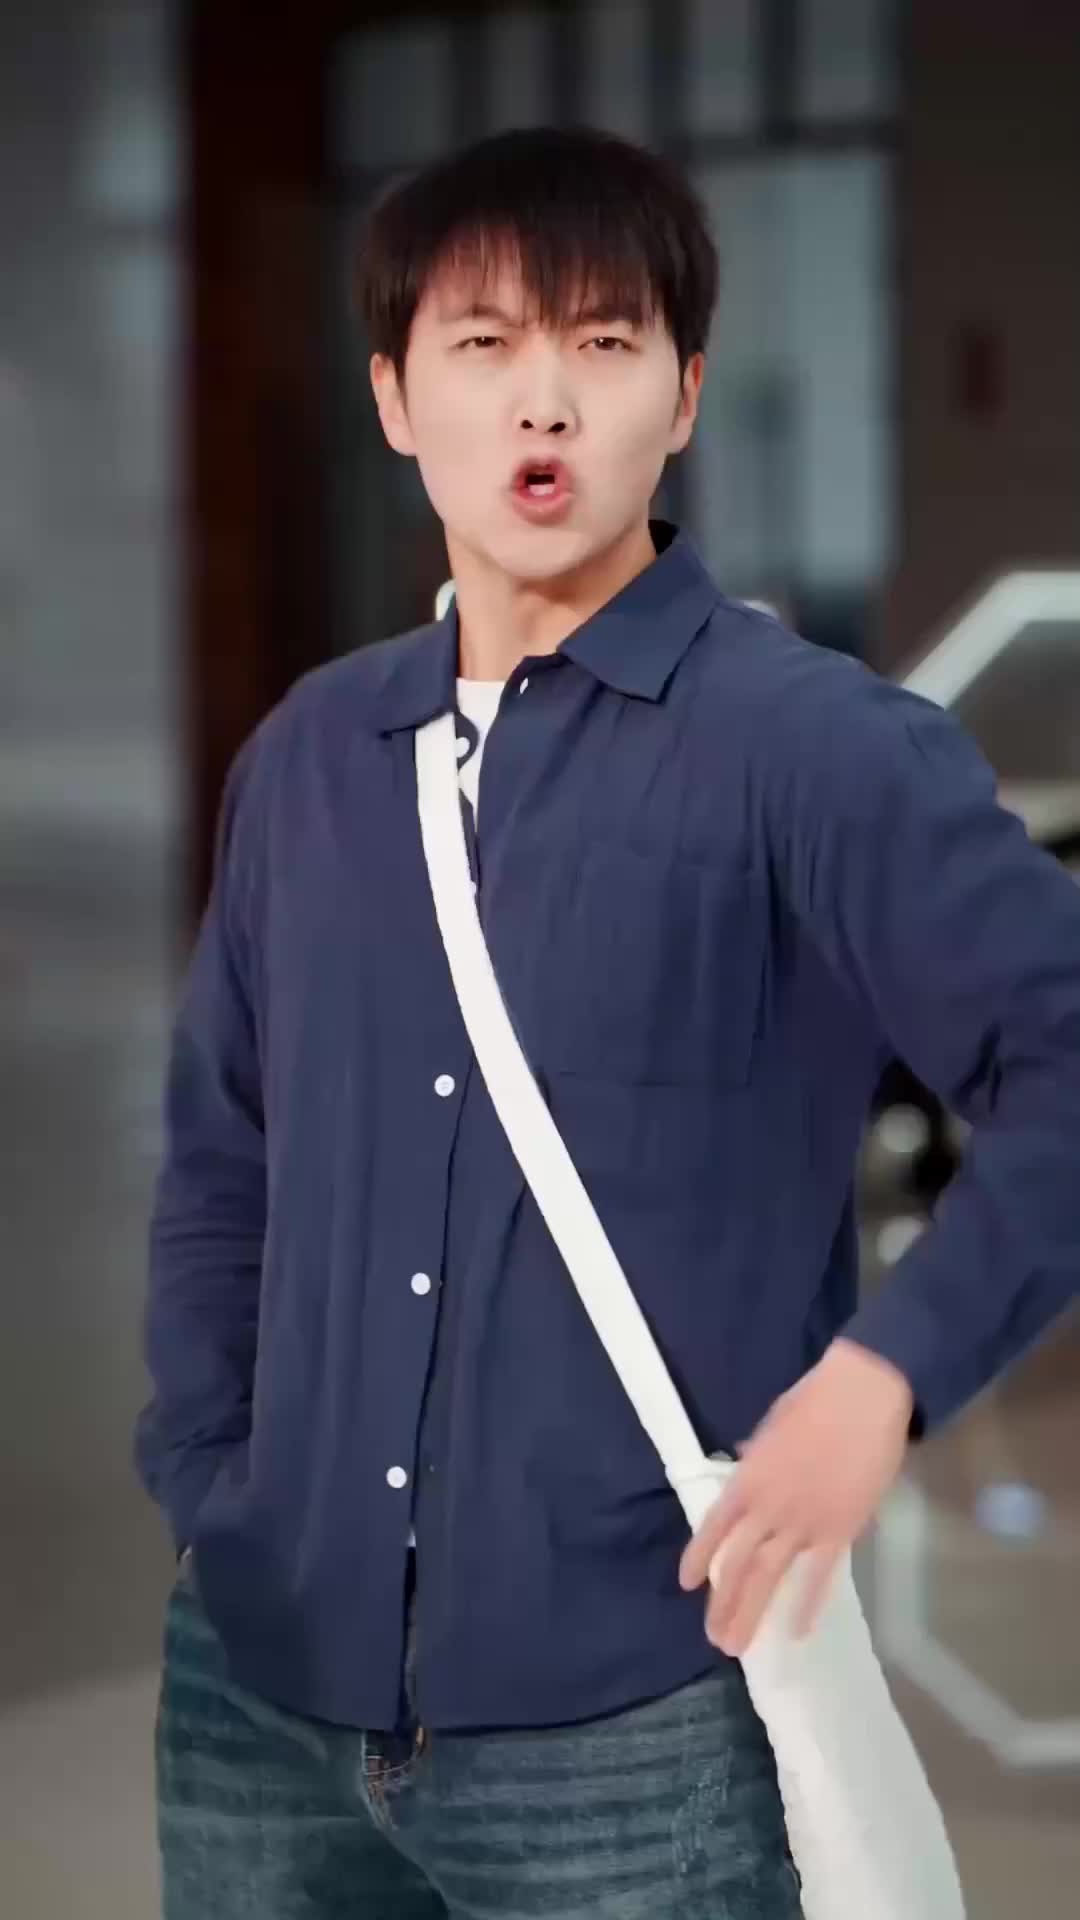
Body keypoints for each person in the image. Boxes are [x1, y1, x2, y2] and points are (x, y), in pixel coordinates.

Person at [136, 125, 1080, 1919]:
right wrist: (207, 1479)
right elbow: (224, 1157)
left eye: (604, 342)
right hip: (260, 1695)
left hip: (633, 1720)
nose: (544, 401)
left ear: (687, 393)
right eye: (484, 344)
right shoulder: (315, 756)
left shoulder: (814, 749)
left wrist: (882, 1379)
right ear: (396, 398)